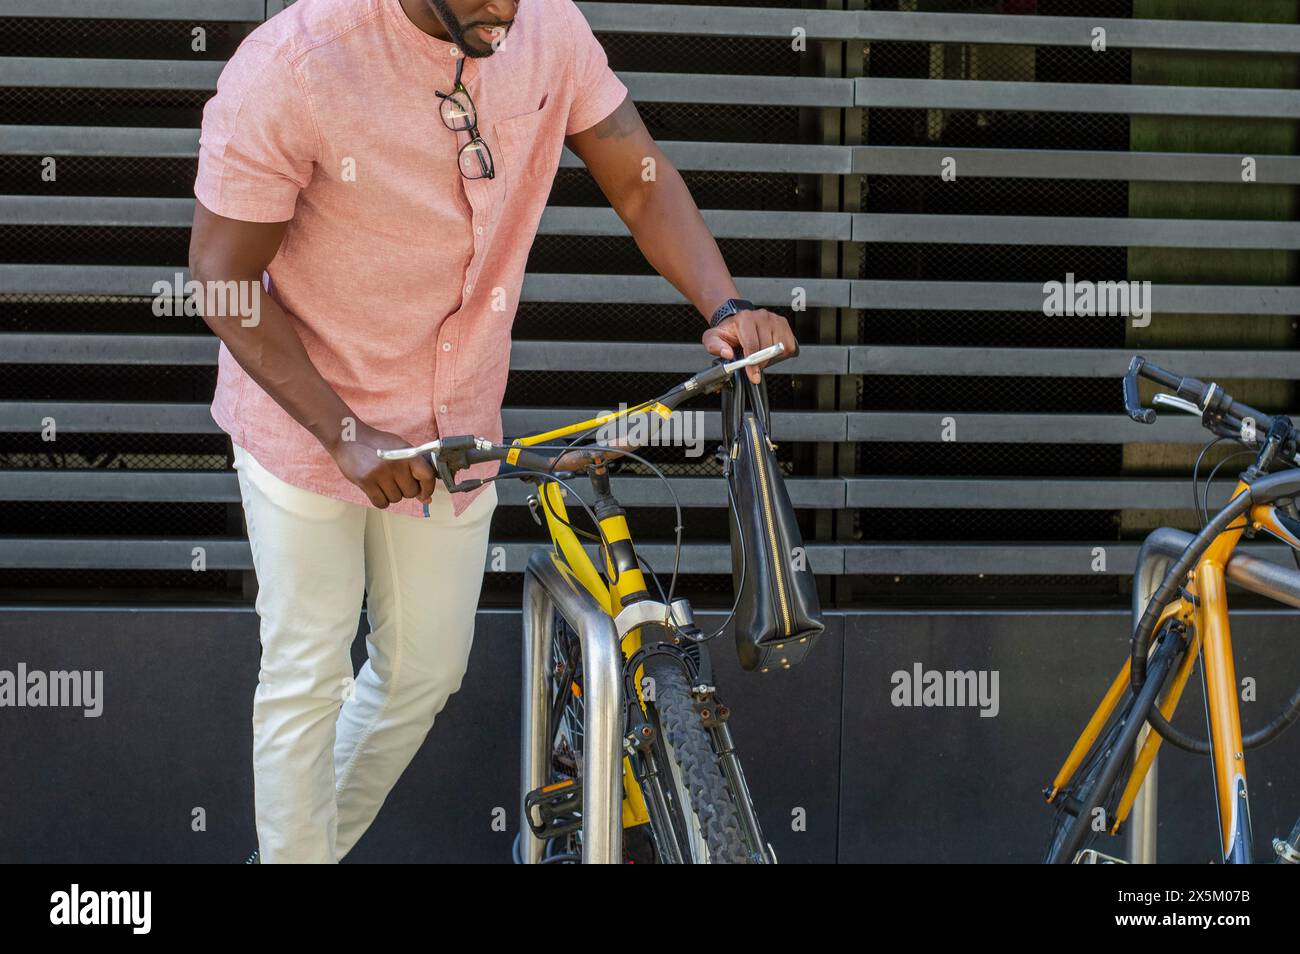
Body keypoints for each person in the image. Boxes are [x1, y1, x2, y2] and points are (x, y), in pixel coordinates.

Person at [189, 0, 800, 863]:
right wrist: (344, 433)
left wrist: (725, 304)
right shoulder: (296, 63)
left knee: (422, 674)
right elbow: (220, 280)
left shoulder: (549, 28)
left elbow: (639, 177)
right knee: (306, 673)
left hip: (455, 429)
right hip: (305, 425)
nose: (503, 7)